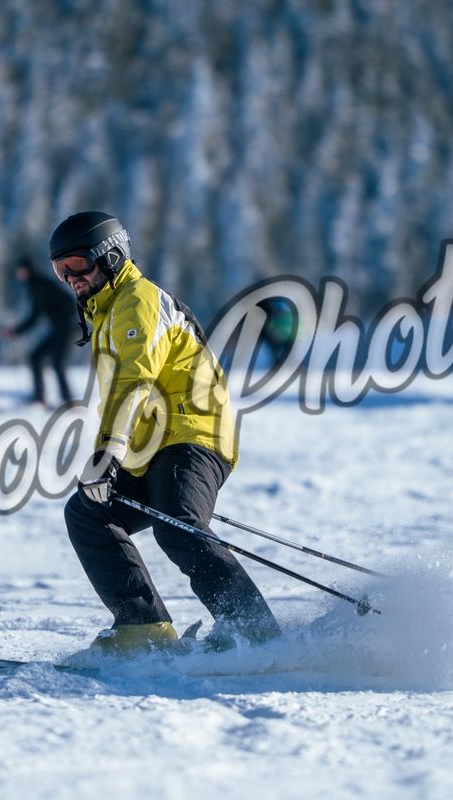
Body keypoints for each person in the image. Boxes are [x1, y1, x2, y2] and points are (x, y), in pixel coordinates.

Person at [50, 210, 281, 657]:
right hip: (153, 447)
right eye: (61, 270)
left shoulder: (137, 299)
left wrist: (107, 453)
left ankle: (254, 632)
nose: (71, 278)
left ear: (111, 257)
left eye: (77, 264)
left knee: (177, 523)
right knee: (88, 512)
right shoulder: (105, 313)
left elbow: (133, 379)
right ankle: (142, 627)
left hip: (195, 435)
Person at [3, 256, 75, 406]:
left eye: (20, 270)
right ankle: (40, 397)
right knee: (36, 357)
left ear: (26, 270)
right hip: (60, 329)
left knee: (56, 363)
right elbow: (36, 315)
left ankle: (67, 401)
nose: (18, 274)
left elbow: (36, 316)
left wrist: (16, 331)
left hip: (64, 329)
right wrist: (16, 332)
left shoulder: (39, 285)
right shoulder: (36, 284)